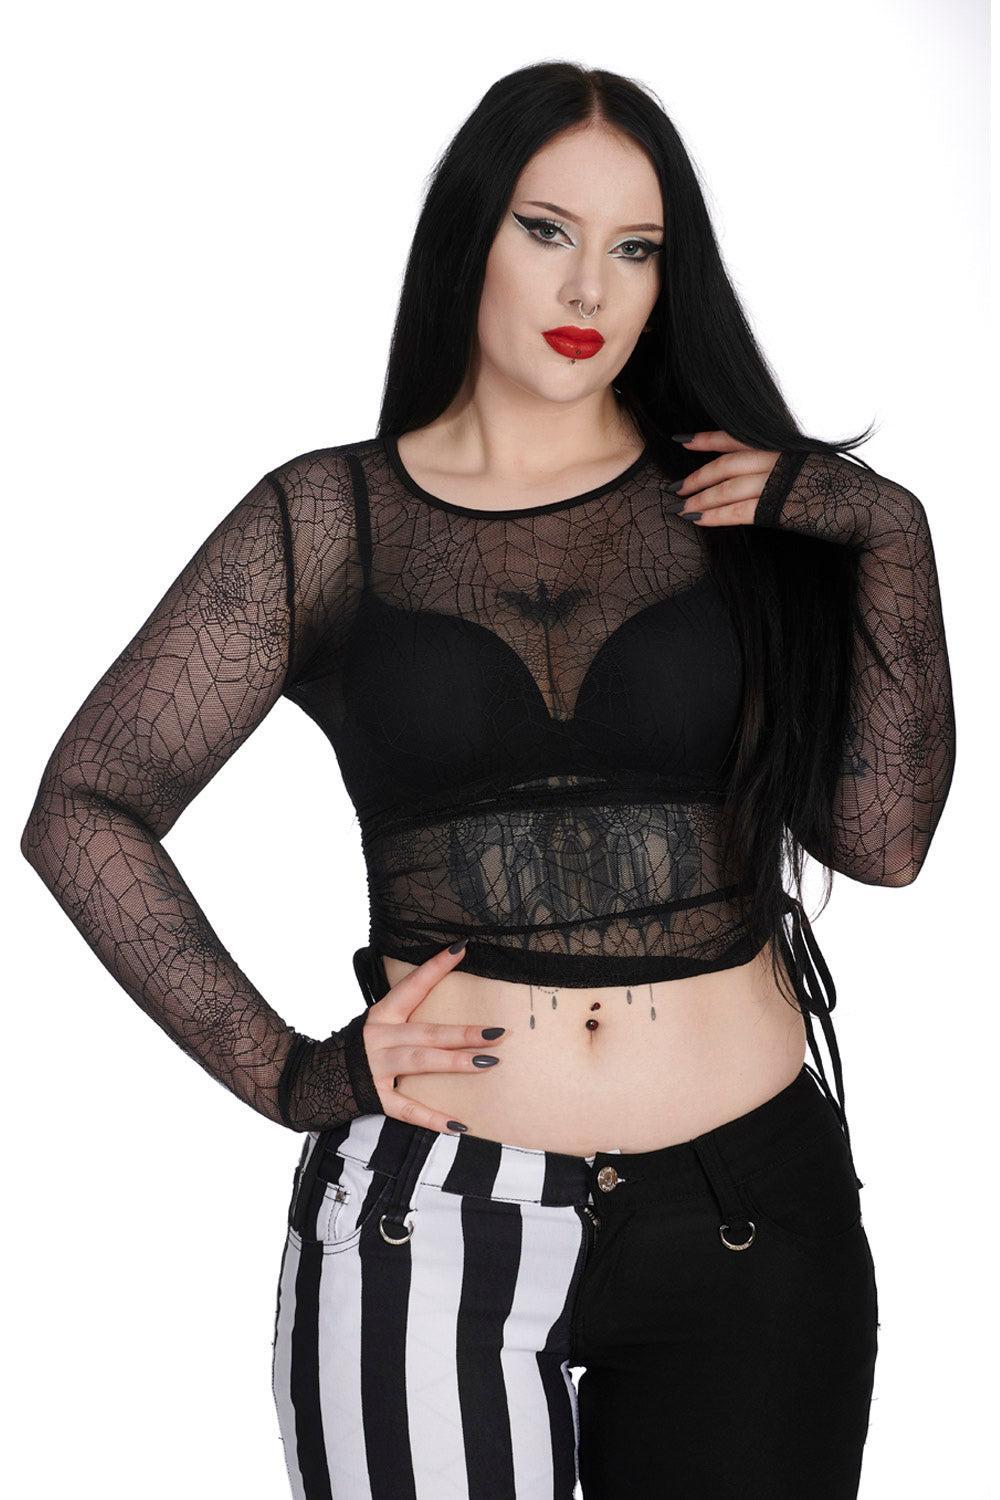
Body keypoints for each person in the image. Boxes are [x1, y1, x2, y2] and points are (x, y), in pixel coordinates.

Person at [21, 61, 955, 1500]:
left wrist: (887, 532)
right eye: (547, 230)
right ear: (471, 232)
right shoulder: (328, 522)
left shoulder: (745, 506)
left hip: (751, 1221)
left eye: (636, 248)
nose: (590, 285)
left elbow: (882, 842)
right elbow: (85, 808)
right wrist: (290, 1071)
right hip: (432, 1228)